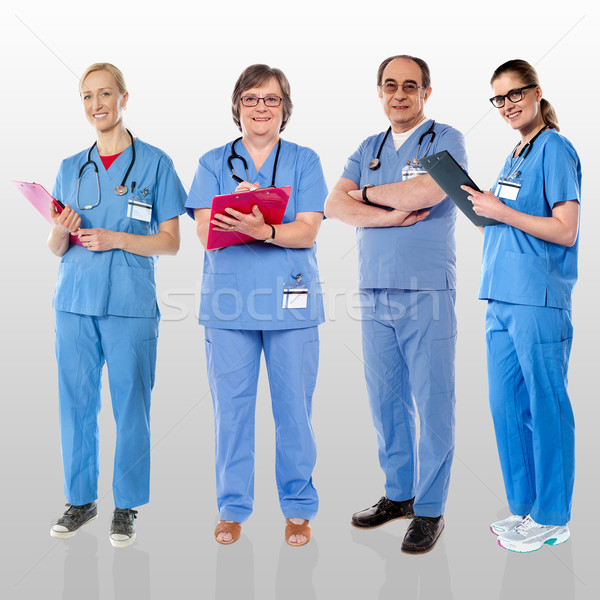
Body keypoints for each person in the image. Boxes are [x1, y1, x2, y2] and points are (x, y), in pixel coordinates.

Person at [325, 55, 467, 554]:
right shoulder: (369, 145)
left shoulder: (445, 139)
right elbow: (333, 206)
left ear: (426, 91)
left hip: (426, 290)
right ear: (380, 92)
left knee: (433, 402)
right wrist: (389, 212)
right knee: (385, 402)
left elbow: (427, 190)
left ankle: (429, 510)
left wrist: (365, 195)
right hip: (373, 289)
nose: (399, 94)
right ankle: (399, 494)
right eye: (390, 85)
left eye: (410, 85)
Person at [185, 64, 326, 546]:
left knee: (294, 410)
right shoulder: (212, 162)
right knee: (232, 410)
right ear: (237, 106)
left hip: (291, 303)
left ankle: (299, 506)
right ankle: (232, 507)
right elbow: (205, 233)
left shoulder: (304, 160)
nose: (260, 107)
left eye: (270, 99)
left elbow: (307, 229)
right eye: (251, 98)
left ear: (284, 108)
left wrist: (262, 227)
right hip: (228, 304)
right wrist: (236, 213)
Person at [47, 63, 186, 548]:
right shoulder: (70, 167)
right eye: (87, 96)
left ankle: (126, 507)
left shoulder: (156, 163)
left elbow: (170, 243)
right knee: (76, 404)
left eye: (105, 94)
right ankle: (80, 500)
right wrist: (62, 227)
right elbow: (56, 248)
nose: (96, 105)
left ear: (125, 98)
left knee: (131, 405)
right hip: (74, 302)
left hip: (129, 305)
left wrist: (117, 239)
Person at [462, 59, 580, 553]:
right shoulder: (516, 153)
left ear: (535, 93)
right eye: (499, 98)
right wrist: (484, 207)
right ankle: (526, 508)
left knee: (546, 404)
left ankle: (553, 517)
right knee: (505, 405)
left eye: (515, 94)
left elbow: (565, 229)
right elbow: (508, 217)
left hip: (538, 297)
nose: (508, 105)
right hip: (500, 295)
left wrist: (502, 210)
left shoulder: (555, 148)